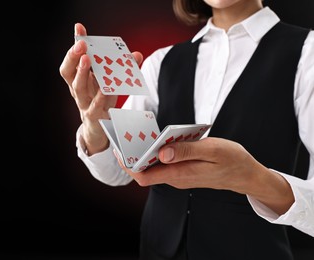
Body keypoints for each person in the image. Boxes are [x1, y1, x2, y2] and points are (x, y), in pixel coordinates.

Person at [60, 0, 314, 259]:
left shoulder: (308, 53)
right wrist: (95, 126)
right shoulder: (160, 62)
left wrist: (254, 179)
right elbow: (118, 172)